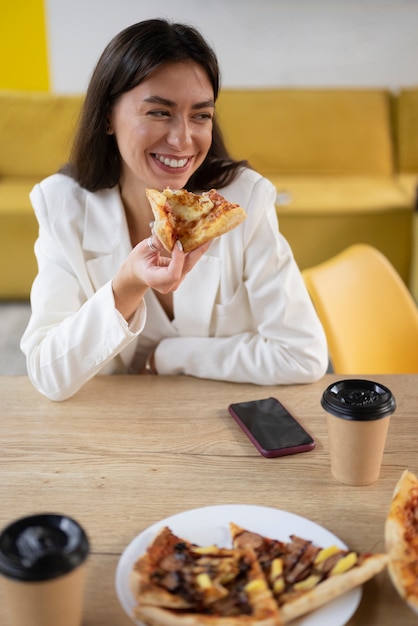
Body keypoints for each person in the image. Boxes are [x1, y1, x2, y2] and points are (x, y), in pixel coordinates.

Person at [20, 18, 328, 401]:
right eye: (159, 112)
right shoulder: (61, 205)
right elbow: (48, 375)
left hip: (222, 421)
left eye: (201, 115)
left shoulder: (242, 200)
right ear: (107, 118)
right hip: (114, 427)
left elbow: (303, 355)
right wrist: (127, 285)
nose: (183, 139)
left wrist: (170, 356)